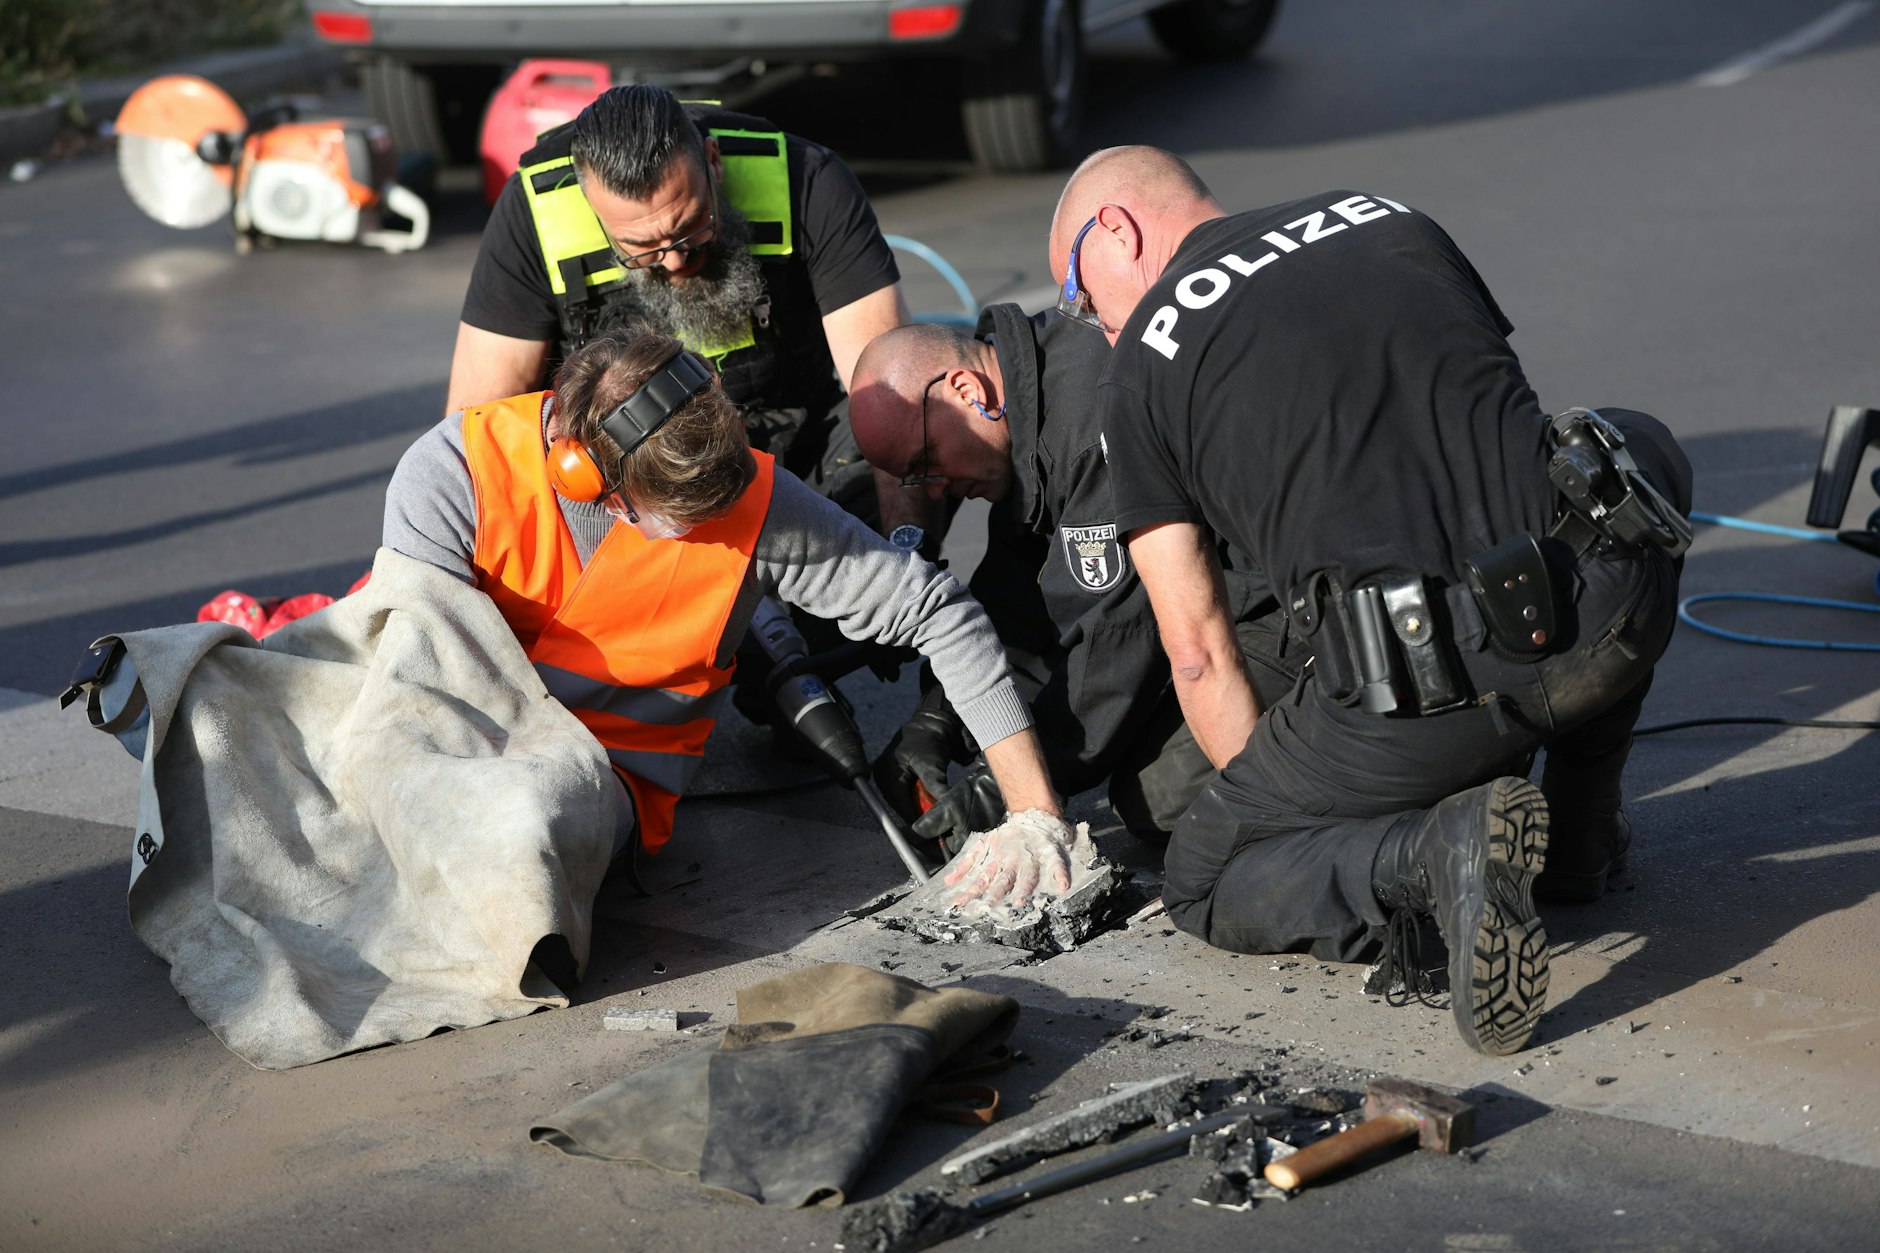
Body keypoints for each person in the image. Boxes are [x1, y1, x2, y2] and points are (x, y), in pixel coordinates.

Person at [1047, 147, 1691, 1055]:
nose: (1095, 326)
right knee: (1637, 443)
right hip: (1598, 604)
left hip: (1417, 696)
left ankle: (1431, 859)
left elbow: (1195, 649)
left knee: (1202, 872)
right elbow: (1499, 427)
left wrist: (1311, 828)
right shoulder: (1386, 216)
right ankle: (1581, 837)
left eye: (1081, 296)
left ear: (1116, 229)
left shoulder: (1141, 368)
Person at [386, 326, 1075, 908]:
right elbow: (416, 697)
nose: (708, 532)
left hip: (599, 781)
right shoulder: (456, 475)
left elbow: (939, 611)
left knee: (521, 834)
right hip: (464, 741)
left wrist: (1034, 814)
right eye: (682, 518)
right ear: (585, 475)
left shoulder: (751, 497)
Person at [847, 311, 1301, 850]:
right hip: (1209, 597)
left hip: (1286, 594)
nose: (937, 489)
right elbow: (1024, 602)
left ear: (965, 389)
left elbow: (1119, 640)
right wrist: (943, 713)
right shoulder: (1028, 397)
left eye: (927, 461)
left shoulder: (1086, 427)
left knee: (1162, 795)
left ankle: (1371, 738)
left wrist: (1011, 784)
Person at [448, 83, 913, 530]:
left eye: (692, 226)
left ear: (714, 162)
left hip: (797, 464)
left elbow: (888, 390)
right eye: (641, 248)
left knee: (912, 426)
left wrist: (907, 556)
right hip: (626, 502)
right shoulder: (537, 215)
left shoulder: (807, 179)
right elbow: (476, 433)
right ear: (593, 207)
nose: (675, 260)